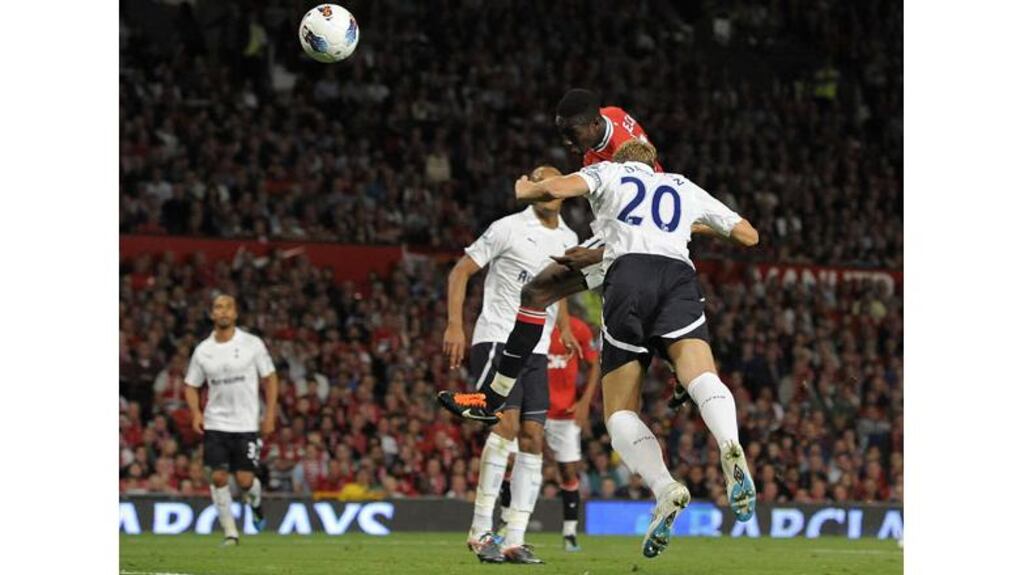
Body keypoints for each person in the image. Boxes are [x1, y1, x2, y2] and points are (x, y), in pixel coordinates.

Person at [514, 139, 759, 559]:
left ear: (621, 161)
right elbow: (747, 235)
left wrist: (524, 189)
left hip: (628, 275)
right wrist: (693, 225)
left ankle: (665, 488)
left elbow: (556, 189)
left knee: (620, 411)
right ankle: (729, 444)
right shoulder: (681, 186)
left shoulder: (608, 172)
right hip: (677, 275)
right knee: (701, 374)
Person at [439, 88, 703, 420]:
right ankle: (683, 368)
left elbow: (637, 212)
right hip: (640, 236)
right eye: (562, 133)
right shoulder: (611, 122)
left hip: (637, 240)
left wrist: (530, 191)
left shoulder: (618, 152)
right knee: (554, 296)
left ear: (594, 123)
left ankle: (491, 399)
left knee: (538, 293)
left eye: (571, 133)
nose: (567, 142)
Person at [437, 165, 580, 565]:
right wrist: (454, 325)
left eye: (554, 180)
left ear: (563, 191)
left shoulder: (570, 238)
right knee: (507, 427)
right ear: (531, 188)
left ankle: (514, 537)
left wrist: (565, 327)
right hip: (498, 338)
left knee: (534, 437)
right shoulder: (506, 228)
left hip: (537, 349)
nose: (548, 187)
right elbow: (460, 271)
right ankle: (482, 530)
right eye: (539, 179)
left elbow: (561, 286)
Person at [184, 294, 279, 546]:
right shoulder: (203, 351)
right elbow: (191, 385)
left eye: (227, 307)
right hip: (216, 423)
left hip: (247, 423)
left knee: (245, 481)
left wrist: (269, 414)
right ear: (212, 314)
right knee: (218, 477)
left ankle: (256, 504)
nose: (223, 311)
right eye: (218, 307)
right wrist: (196, 412)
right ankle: (230, 533)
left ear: (235, 314)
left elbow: (270, 378)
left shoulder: (252, 344)